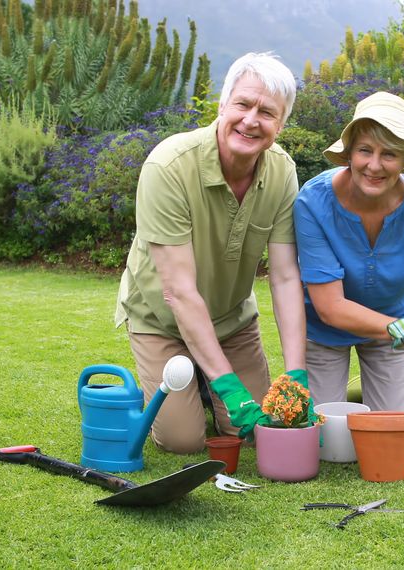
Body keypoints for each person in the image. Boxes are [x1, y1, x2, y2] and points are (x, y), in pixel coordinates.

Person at [114, 52, 306, 454]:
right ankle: (202, 384)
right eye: (243, 104)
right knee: (183, 441)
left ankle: (205, 379)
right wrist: (229, 386)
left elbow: (286, 276)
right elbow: (179, 292)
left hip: (231, 319)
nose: (252, 120)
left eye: (267, 112)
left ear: (281, 124)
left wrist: (296, 373)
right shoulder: (168, 167)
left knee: (249, 433)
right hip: (161, 318)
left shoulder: (283, 173)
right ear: (223, 104)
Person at [294, 91, 404, 411]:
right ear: (349, 153)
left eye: (389, 154)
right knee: (322, 435)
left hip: (393, 326)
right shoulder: (313, 202)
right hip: (324, 329)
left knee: (390, 429)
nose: (374, 166)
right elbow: (330, 307)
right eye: (365, 150)